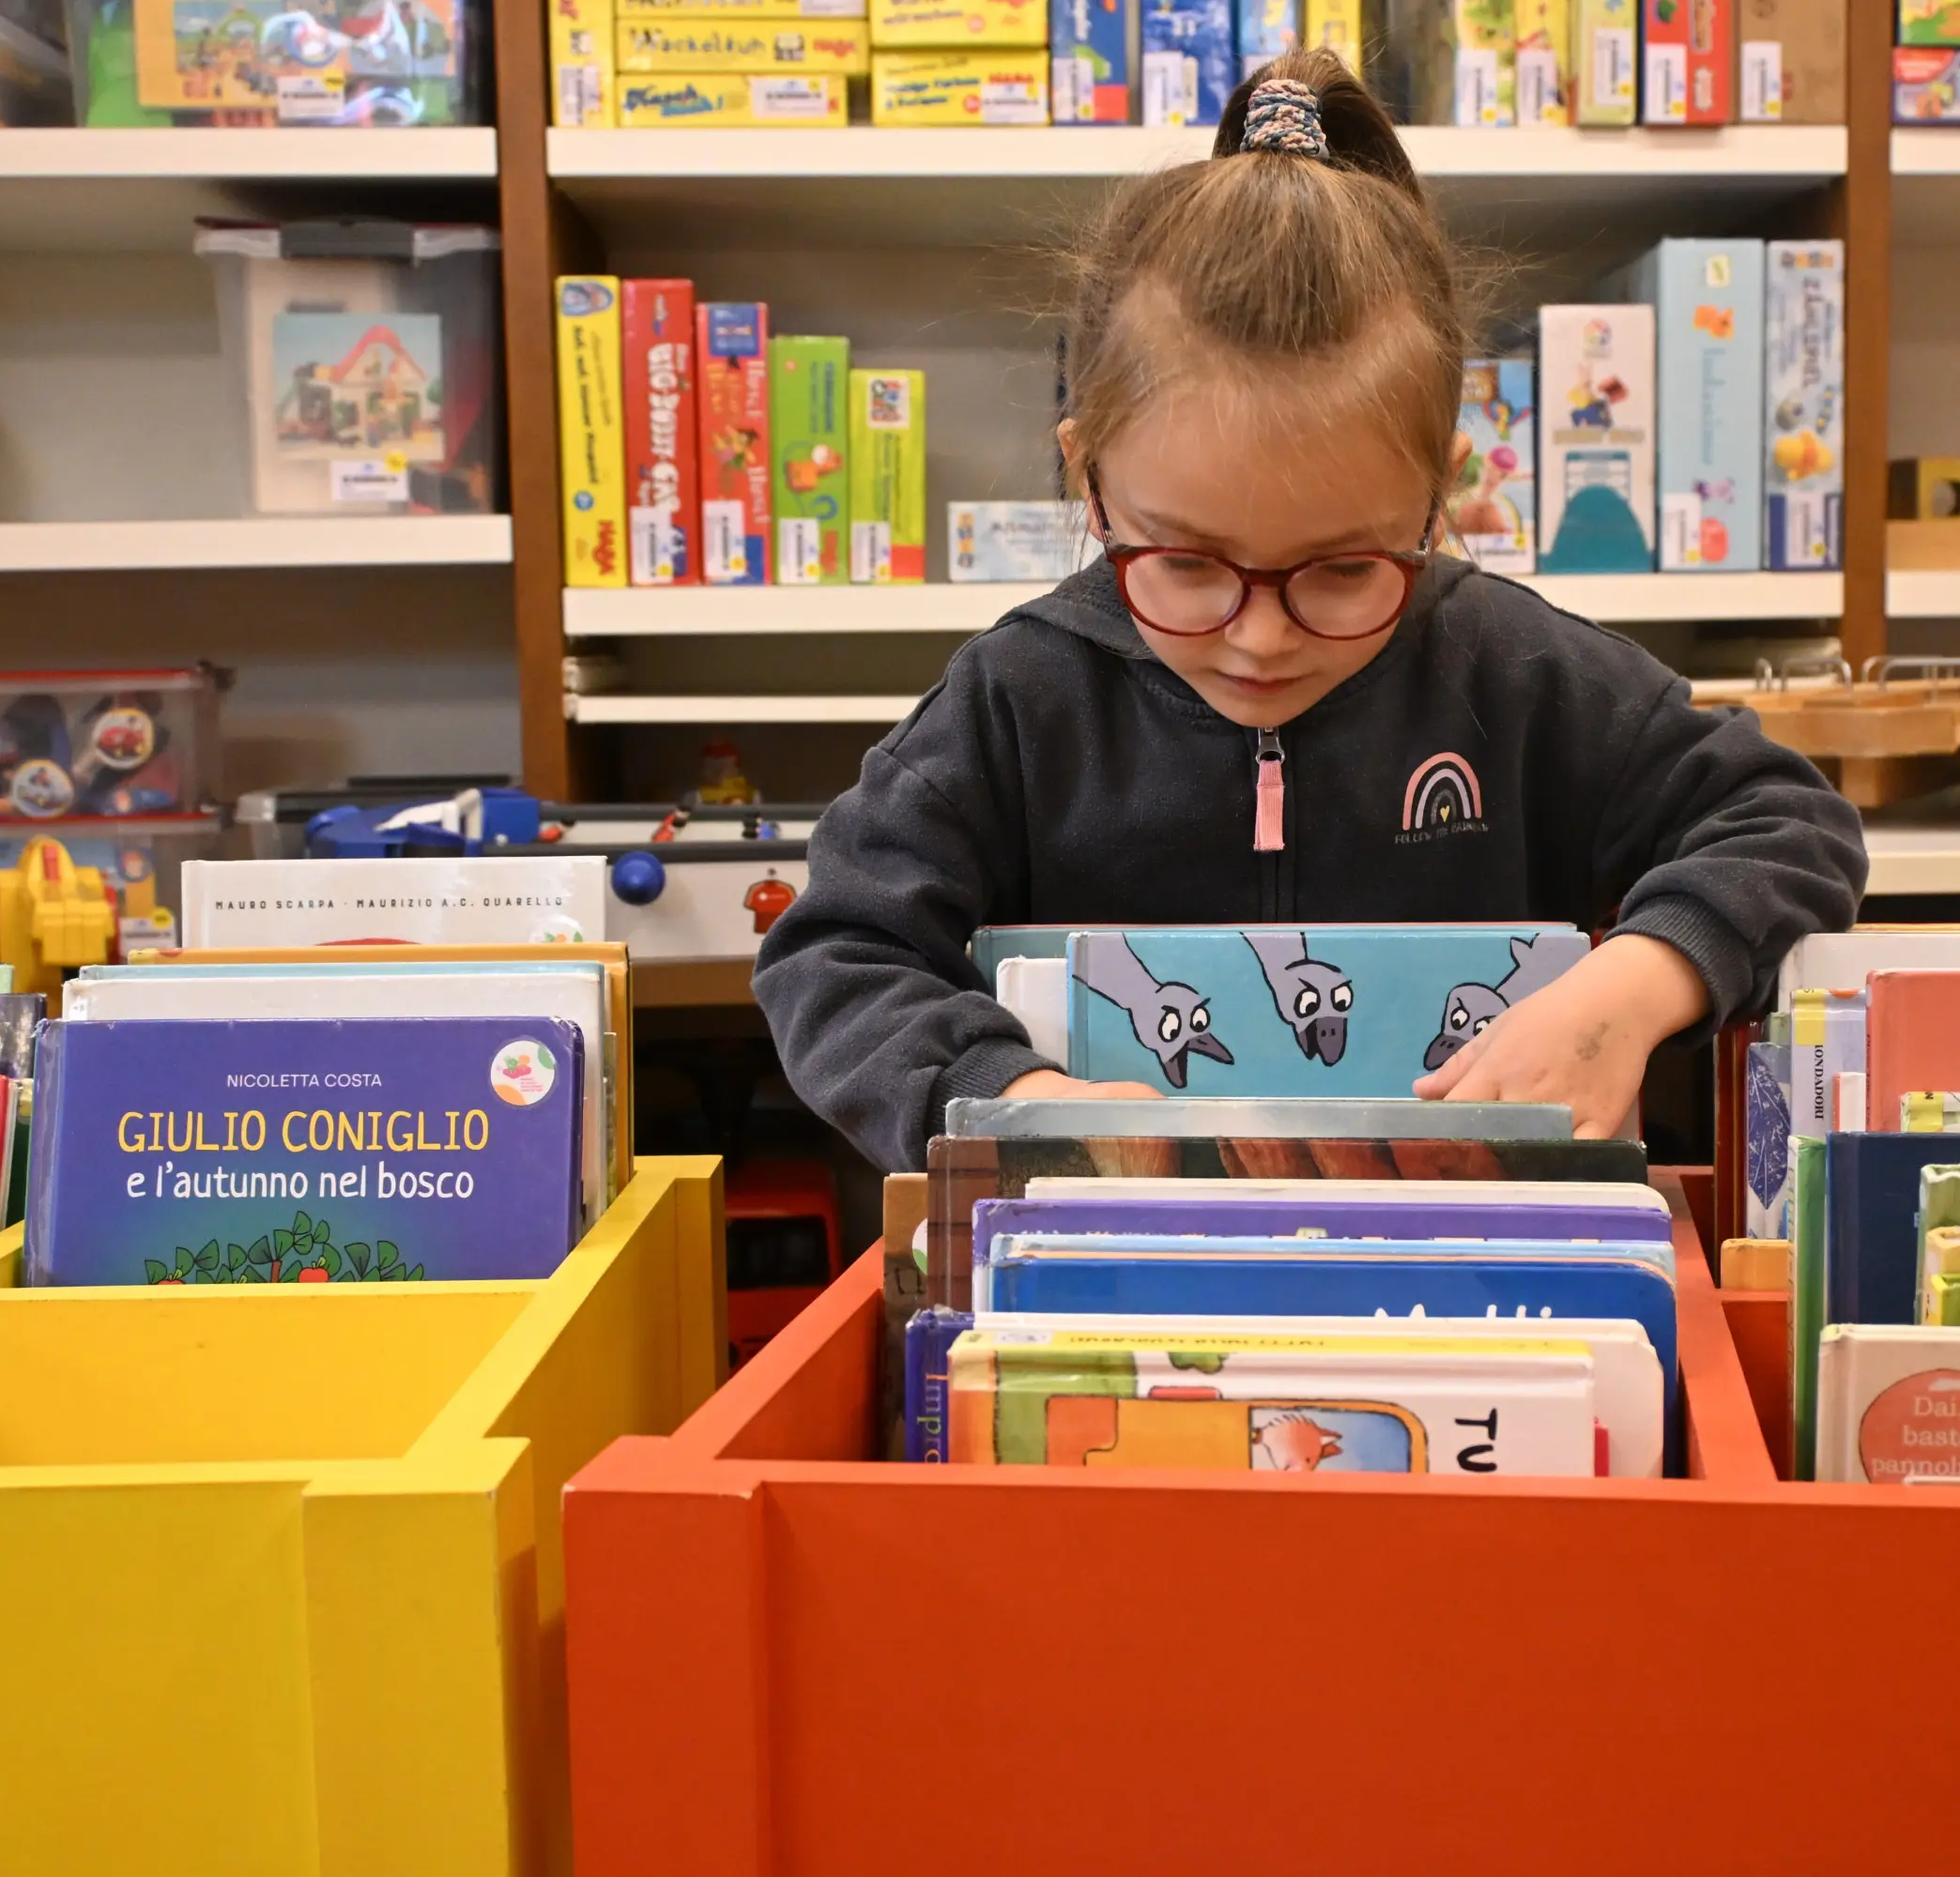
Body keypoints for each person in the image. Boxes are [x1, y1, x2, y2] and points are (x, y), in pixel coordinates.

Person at [754, 48, 1866, 1173]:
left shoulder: (1519, 675)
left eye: (1343, 570)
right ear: (1088, 479)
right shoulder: (1020, 699)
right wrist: (1014, 1096)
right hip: (1114, 1285)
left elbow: (1788, 823)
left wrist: (1633, 986)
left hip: (1490, 1291)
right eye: (1188, 564)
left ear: (1439, 492)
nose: (1262, 635)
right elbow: (838, 953)